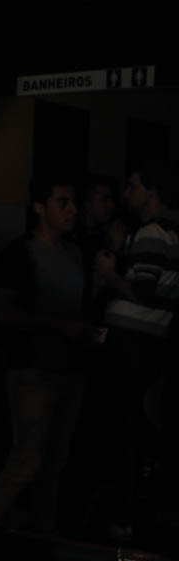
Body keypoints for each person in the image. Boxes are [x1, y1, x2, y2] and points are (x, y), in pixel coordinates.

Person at [0, 174, 97, 533]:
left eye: (73, 202)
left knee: (55, 462)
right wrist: (57, 325)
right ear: (39, 208)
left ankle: (41, 536)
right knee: (27, 458)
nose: (72, 210)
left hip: (69, 367)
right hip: (33, 368)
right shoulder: (22, 252)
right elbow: (3, 312)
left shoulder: (74, 253)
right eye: (62, 202)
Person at [94, 161, 179, 538]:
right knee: (136, 426)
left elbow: (142, 291)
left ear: (151, 191)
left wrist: (109, 273)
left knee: (124, 428)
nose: (126, 194)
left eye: (133, 186)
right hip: (149, 343)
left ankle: (121, 518)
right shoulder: (166, 231)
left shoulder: (153, 232)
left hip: (134, 344)